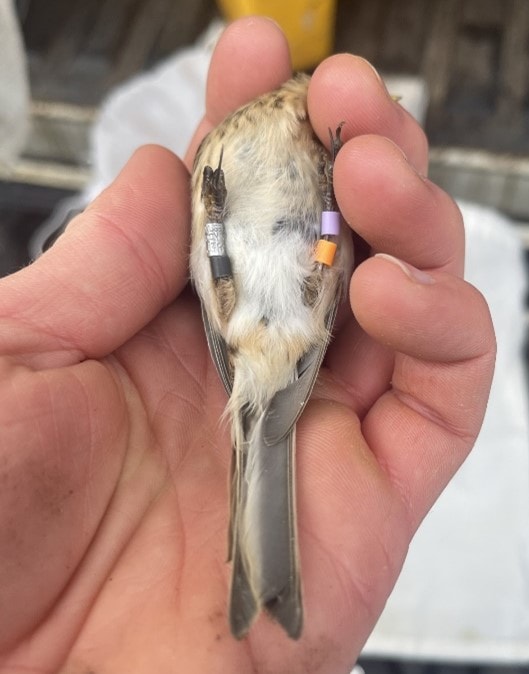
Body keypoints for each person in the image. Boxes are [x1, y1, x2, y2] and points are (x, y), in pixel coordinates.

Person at [0, 17, 495, 674]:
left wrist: (324, 219)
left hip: (269, 321)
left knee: (288, 277)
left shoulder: (305, 144)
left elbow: (252, 251)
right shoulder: (237, 133)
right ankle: (260, 578)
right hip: (253, 316)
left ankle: (257, 579)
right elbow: (214, 256)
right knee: (261, 280)